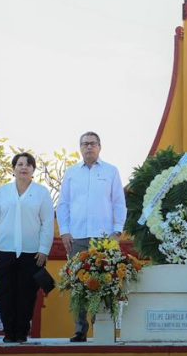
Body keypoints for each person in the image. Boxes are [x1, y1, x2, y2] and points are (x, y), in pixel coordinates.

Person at [56, 131, 126, 342]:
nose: (88, 147)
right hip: (77, 236)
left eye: (92, 144)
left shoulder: (111, 171)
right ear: (80, 148)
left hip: (103, 238)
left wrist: (117, 230)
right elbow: (63, 204)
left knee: (103, 282)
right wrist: (65, 231)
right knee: (78, 283)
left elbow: (118, 203)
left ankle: (102, 328)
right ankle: (80, 329)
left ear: (99, 147)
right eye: (85, 144)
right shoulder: (71, 173)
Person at [0, 152, 55, 343]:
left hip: (32, 254)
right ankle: (9, 332)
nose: (23, 167)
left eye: (28, 164)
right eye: (19, 164)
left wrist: (43, 249)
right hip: (4, 253)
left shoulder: (42, 193)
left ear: (33, 169)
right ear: (13, 169)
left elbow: (47, 223)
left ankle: (21, 333)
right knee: (4, 293)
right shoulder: (2, 192)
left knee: (27, 294)